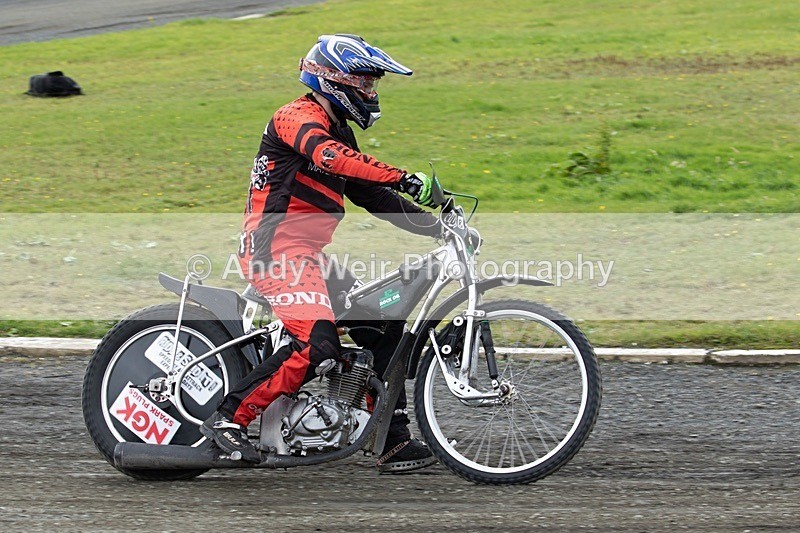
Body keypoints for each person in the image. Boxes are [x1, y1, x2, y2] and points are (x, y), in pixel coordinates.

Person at [201, 34, 441, 472]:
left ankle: (390, 439)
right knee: (319, 345)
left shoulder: (340, 131)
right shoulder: (295, 117)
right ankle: (227, 420)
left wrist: (441, 227)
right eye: (365, 82)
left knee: (383, 325)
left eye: (373, 84)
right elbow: (329, 156)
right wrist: (402, 175)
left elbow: (373, 196)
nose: (371, 92)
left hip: (307, 256)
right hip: (274, 251)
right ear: (334, 79)